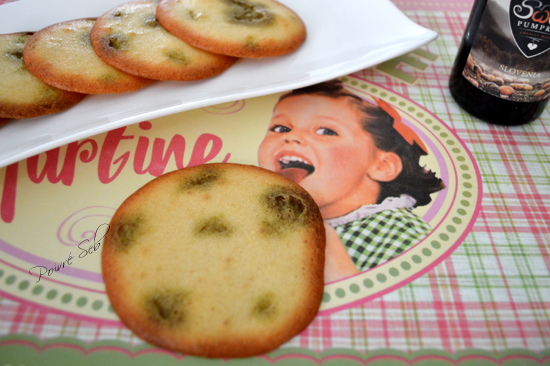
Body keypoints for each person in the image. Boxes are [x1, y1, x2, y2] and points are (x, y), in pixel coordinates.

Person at [258, 80, 445, 282]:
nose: (291, 137)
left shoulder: (398, 231)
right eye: (280, 128)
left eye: (326, 131)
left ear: (382, 166)